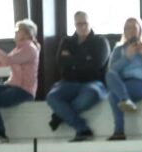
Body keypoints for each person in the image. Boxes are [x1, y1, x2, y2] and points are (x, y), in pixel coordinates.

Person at [45, 11, 109, 142]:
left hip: (93, 82)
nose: (83, 27)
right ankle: (82, 128)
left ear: (90, 22)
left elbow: (96, 64)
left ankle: (60, 115)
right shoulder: (66, 41)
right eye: (79, 24)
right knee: (52, 97)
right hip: (69, 82)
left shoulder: (100, 41)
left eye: (85, 23)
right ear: (74, 24)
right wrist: (85, 60)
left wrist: (72, 61)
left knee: (90, 95)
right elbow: (61, 62)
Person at [105, 17, 142, 141]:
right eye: (127, 28)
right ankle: (125, 100)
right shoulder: (119, 49)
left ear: (140, 30)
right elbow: (112, 70)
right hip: (123, 83)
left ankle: (119, 131)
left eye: (133, 28)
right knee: (110, 76)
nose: (130, 31)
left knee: (113, 96)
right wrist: (126, 57)